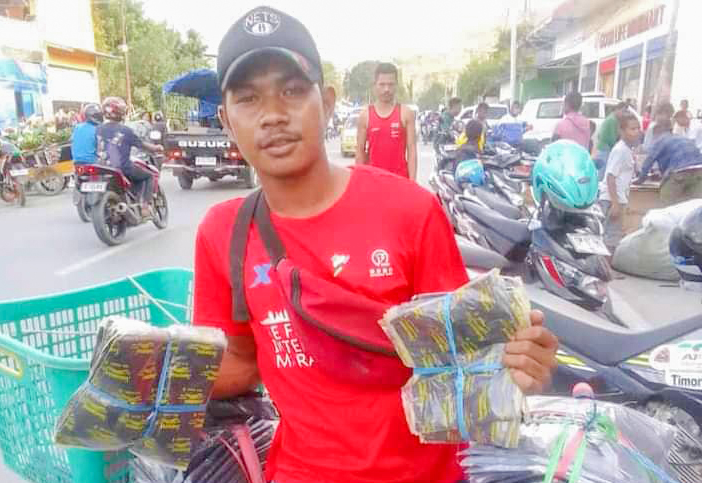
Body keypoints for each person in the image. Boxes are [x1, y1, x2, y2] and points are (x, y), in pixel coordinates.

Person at [195, 6, 559, 483]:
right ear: (226, 119)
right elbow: (242, 359)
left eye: (292, 90)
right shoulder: (222, 231)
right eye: (248, 98)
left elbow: (471, 359)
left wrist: (519, 365)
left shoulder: (411, 210)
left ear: (327, 102)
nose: (273, 115)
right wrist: (148, 384)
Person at [97, 97, 163, 217]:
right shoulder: (125, 130)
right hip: (122, 167)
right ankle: (145, 206)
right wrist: (156, 148)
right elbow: (142, 145)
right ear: (121, 113)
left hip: (102, 167)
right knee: (149, 176)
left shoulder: (98, 129)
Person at [356, 62, 418, 180]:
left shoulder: (406, 113)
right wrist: (359, 181)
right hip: (374, 181)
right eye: (382, 84)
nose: (386, 89)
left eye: (390, 84)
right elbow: (360, 152)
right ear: (375, 85)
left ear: (396, 85)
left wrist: (412, 182)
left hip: (399, 180)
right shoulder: (365, 115)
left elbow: (412, 150)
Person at [598, 112, 641, 252]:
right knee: (610, 240)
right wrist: (615, 204)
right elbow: (610, 177)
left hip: (618, 198)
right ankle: (606, 266)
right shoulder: (620, 150)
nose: (636, 132)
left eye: (638, 128)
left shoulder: (627, 149)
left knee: (612, 238)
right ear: (622, 131)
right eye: (632, 129)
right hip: (611, 200)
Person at [635, 118, 702, 205]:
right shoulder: (683, 138)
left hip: (679, 173)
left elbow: (649, 160)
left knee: (667, 203)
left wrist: (641, 179)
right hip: (699, 172)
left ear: (657, 131)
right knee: (693, 207)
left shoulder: (661, 139)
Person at [594, 101, 627, 177]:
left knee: (601, 171)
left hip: (602, 148)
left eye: (625, 112)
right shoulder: (612, 120)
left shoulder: (611, 118)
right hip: (605, 149)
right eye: (623, 111)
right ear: (617, 109)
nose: (623, 114)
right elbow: (612, 139)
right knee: (602, 173)